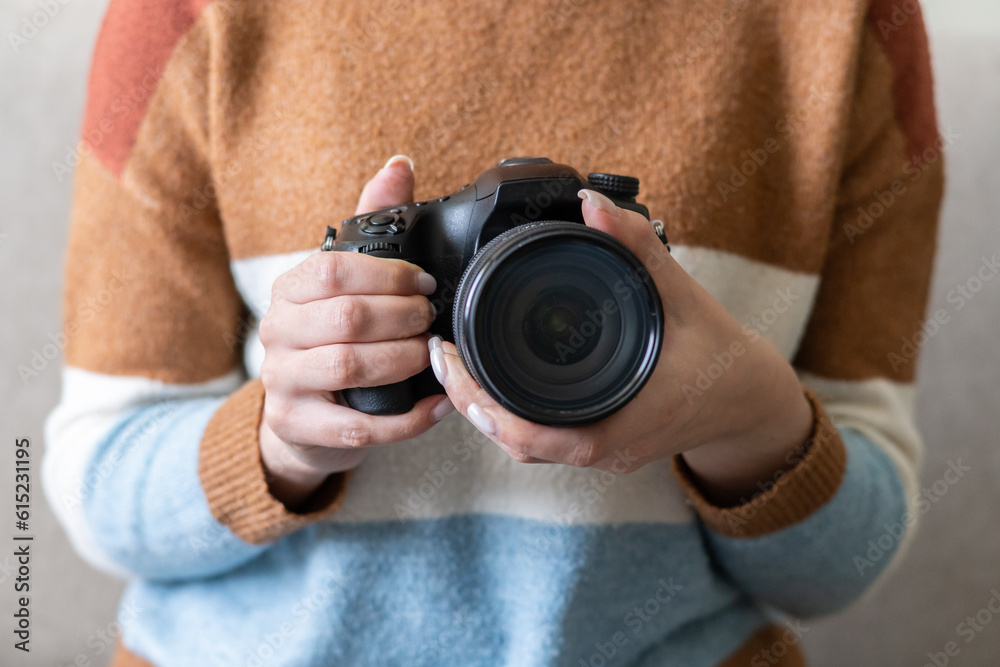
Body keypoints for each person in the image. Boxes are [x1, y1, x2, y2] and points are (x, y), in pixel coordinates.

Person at [43, 0, 944, 665]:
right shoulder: (186, 14)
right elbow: (99, 491)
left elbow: (841, 569)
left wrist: (748, 418)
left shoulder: (847, 22)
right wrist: (282, 442)